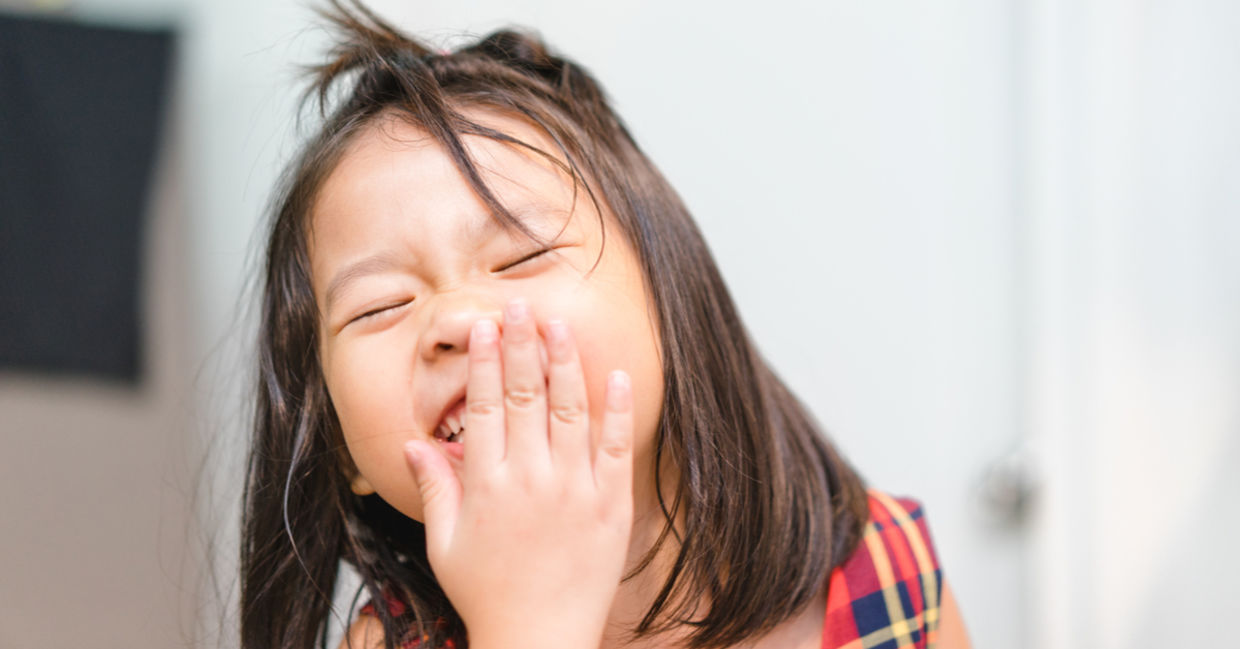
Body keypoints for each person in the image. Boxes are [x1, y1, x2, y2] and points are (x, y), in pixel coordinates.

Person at [240, 2, 971, 648]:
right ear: (343, 454)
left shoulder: (891, 576)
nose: (457, 320)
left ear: (672, 304)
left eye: (522, 254)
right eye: (381, 306)